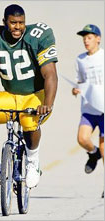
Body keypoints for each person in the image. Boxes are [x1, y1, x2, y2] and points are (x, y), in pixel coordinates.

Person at [0, 4, 58, 188]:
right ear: (4, 22)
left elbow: (50, 74)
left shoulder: (39, 36)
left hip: (36, 96)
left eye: (21, 23)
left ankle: (33, 162)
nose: (18, 27)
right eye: (13, 23)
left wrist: (47, 104)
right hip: (11, 95)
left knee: (29, 121)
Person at [72, 24, 104, 198]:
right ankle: (93, 154)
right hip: (89, 107)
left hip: (104, 107)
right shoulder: (80, 59)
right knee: (82, 138)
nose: (86, 40)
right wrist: (76, 89)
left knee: (104, 146)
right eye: (84, 37)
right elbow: (80, 81)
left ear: (98, 39)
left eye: (90, 37)